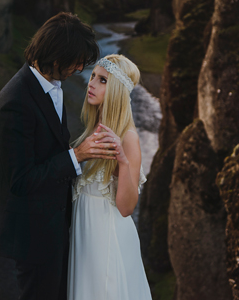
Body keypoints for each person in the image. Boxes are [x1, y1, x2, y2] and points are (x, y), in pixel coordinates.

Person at [0, 12, 117, 300]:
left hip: (55, 225)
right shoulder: (15, 104)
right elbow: (21, 181)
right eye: (77, 61)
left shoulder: (50, 85)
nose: (81, 68)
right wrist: (77, 155)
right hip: (33, 235)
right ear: (56, 57)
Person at [68, 54, 151, 300]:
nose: (91, 84)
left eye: (102, 80)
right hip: (84, 236)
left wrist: (123, 161)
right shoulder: (91, 129)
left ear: (116, 89)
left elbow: (126, 208)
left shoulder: (128, 137)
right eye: (92, 76)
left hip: (107, 238)